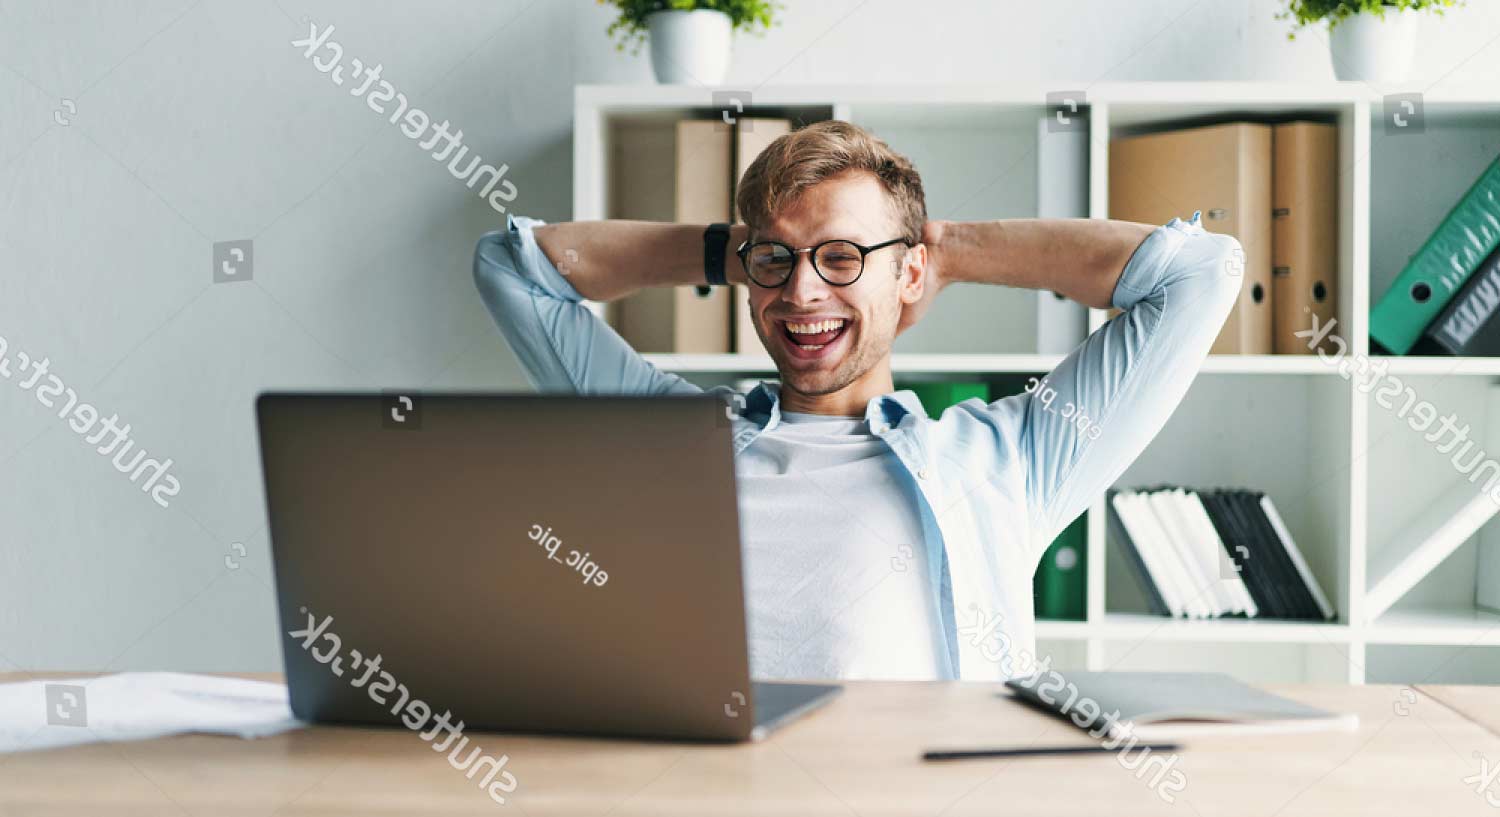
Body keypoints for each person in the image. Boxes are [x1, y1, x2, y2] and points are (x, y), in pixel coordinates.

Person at [473, 120, 1242, 681]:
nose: (802, 291)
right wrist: (731, 249)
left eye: (842, 257)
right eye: (777, 259)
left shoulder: (1012, 461)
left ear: (908, 276)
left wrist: (950, 248)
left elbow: (1200, 273)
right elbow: (510, 268)